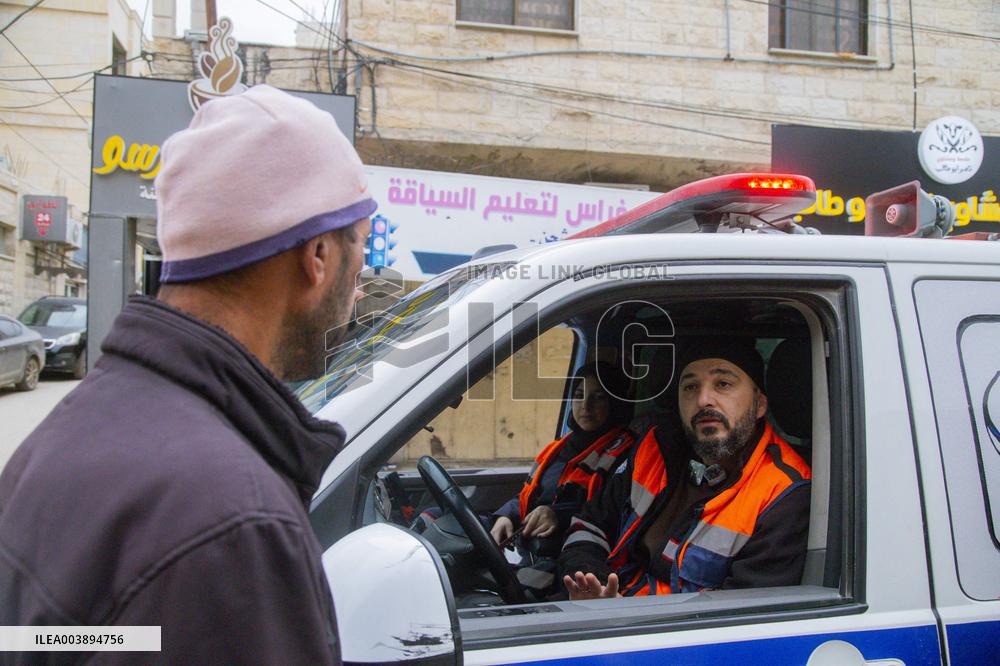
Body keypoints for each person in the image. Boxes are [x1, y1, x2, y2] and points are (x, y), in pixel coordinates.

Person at [0, 86, 375, 663]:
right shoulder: (235, 529)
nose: (361, 284)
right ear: (318, 257)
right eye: (362, 249)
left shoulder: (70, 430)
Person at [560, 338, 812, 599]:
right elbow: (588, 524)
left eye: (723, 384)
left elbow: (738, 624)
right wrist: (591, 582)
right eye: (690, 387)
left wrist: (623, 616)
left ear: (759, 404)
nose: (703, 400)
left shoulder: (783, 492)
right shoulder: (655, 446)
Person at [490, 362, 635, 551]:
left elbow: (611, 512)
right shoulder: (558, 448)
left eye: (598, 397)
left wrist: (558, 515)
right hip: (530, 547)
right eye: (578, 395)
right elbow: (531, 496)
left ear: (614, 403)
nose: (585, 405)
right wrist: (507, 516)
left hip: (574, 552)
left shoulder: (626, 453)